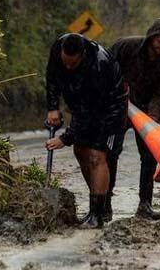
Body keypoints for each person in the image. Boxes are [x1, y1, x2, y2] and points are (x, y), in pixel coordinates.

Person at [45, 33, 128, 229]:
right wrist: (52, 107)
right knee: (80, 151)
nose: (67, 67)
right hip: (83, 106)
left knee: (96, 156)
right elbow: (52, 77)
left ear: (82, 55)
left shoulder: (99, 65)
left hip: (109, 109)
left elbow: (88, 112)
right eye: (65, 62)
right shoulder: (58, 49)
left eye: (72, 64)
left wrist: (65, 138)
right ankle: (99, 205)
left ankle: (97, 215)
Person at [107, 18, 160, 221]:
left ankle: (144, 203)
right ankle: (105, 202)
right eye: (159, 42)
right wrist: (116, 89)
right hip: (119, 106)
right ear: (151, 38)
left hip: (147, 112)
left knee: (148, 157)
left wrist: (153, 117)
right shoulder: (126, 47)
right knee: (111, 153)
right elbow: (105, 67)